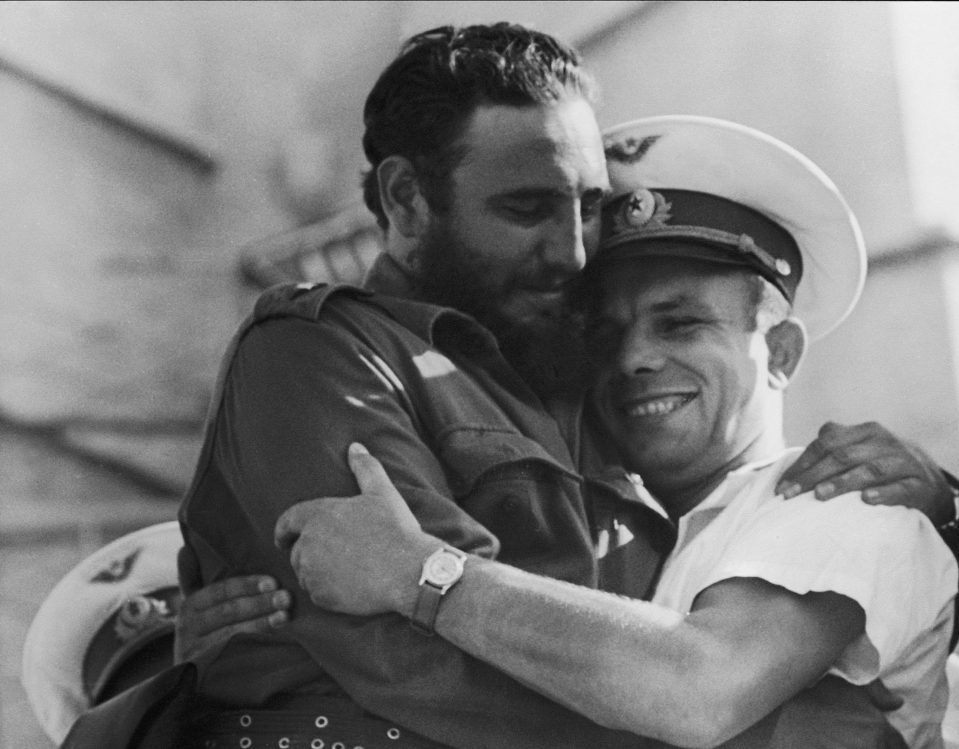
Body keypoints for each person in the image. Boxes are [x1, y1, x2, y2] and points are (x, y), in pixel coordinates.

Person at [64, 21, 957, 749]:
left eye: (587, 207)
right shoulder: (318, 353)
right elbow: (413, 661)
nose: (571, 252)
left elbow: (664, 656)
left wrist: (944, 504)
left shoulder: (572, 380)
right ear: (408, 201)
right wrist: (806, 732)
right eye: (527, 208)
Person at [273, 116, 958, 747]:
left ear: (778, 352)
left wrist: (418, 573)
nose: (632, 358)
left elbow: (697, 687)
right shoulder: (607, 532)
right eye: (604, 333)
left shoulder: (845, 495)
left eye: (680, 323)